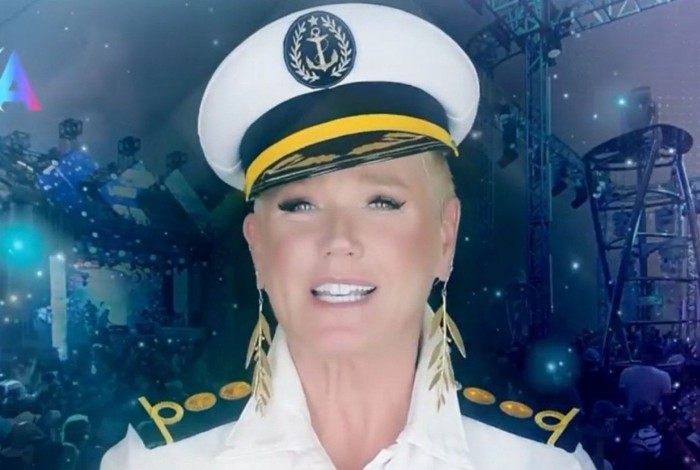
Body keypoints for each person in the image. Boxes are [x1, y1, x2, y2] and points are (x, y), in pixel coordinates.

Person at [100, 2, 595, 469]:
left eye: (381, 202)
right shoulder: (156, 462)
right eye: (299, 205)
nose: (339, 239)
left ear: (445, 237)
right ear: (258, 247)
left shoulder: (542, 463)